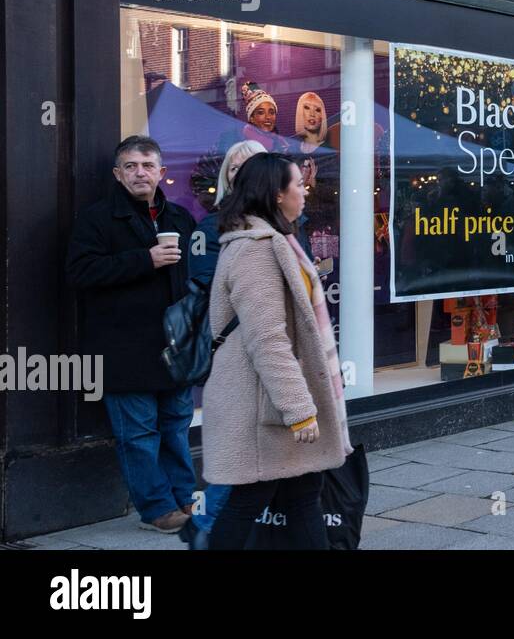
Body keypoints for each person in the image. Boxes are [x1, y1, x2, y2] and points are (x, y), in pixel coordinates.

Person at [203, 153, 351, 550]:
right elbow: (267, 339)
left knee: (303, 494)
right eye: (297, 184)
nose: (304, 190)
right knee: (249, 501)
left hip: (271, 404)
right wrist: (299, 409)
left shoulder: (275, 240)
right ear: (275, 193)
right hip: (264, 407)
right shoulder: (255, 250)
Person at [66, 136, 198, 533]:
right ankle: (157, 509)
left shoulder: (180, 219)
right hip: (122, 346)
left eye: (147, 165)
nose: (140, 172)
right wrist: (145, 260)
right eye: (130, 166)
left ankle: (185, 499)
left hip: (174, 347)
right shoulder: (96, 219)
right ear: (117, 174)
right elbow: (80, 273)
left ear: (161, 173)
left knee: (176, 425)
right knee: (138, 433)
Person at [179, 139, 267, 549]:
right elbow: (208, 290)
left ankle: (221, 526)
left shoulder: (281, 224)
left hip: (271, 348)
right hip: (235, 350)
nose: (241, 174)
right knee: (240, 442)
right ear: (225, 178)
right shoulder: (210, 228)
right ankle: (206, 523)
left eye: (250, 166)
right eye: (234, 168)